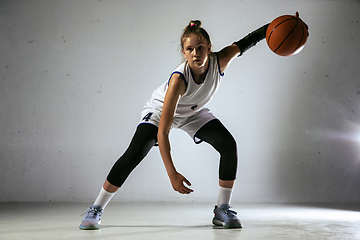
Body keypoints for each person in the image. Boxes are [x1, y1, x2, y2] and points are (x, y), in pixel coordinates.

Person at [80, 19, 270, 230]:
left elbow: (249, 40)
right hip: (161, 110)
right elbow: (163, 132)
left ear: (209, 47)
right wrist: (172, 174)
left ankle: (222, 209)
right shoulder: (179, 80)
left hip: (193, 112)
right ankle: (96, 208)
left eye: (200, 47)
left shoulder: (220, 61)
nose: (196, 53)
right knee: (136, 151)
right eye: (190, 49)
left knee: (228, 144)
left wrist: (277, 26)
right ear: (184, 52)